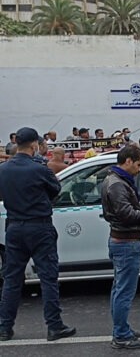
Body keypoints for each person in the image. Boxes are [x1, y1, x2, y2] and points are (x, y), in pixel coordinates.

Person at [0, 127, 76, 342]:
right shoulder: (39, 169)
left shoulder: (3, 169)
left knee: (12, 279)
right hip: (39, 226)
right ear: (34, 145)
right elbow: (55, 190)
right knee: (48, 277)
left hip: (14, 226)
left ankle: (5, 327)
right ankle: (54, 325)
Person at [102, 144, 140, 349]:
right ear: (127, 161)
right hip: (126, 243)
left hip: (124, 241)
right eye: (138, 164)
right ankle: (120, 335)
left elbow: (130, 206)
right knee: (124, 291)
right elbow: (127, 215)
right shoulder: (117, 184)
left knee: (120, 289)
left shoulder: (118, 181)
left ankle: (122, 328)